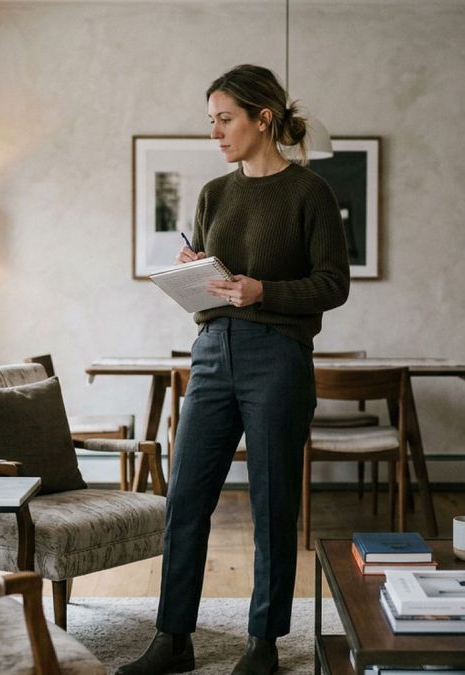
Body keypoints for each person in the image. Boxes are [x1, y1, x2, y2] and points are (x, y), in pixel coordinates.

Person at [117, 64, 349, 675]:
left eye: (225, 120)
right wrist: (193, 268)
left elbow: (333, 284)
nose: (216, 133)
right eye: (211, 122)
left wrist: (262, 291)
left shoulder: (310, 193)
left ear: (262, 118)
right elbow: (216, 275)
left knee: (273, 503)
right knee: (186, 498)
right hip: (211, 353)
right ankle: (174, 639)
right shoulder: (215, 193)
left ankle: (263, 644)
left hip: (277, 358)